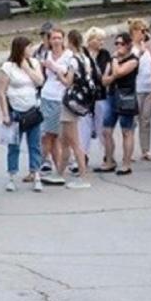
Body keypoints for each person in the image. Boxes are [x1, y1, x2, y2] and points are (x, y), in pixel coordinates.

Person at [0, 36, 44, 192]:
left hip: (32, 109)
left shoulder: (34, 63)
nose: (31, 50)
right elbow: (1, 92)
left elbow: (40, 81)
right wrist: (5, 113)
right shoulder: (8, 67)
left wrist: (27, 68)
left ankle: (36, 174)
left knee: (34, 144)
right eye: (28, 47)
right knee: (14, 146)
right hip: (15, 110)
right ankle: (11, 175)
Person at [98, 32, 139, 175]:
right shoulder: (112, 59)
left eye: (121, 43)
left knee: (126, 131)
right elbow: (105, 80)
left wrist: (114, 60)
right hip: (112, 95)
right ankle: (109, 160)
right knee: (106, 130)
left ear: (128, 45)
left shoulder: (133, 60)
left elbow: (118, 72)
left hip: (127, 96)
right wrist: (112, 73)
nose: (118, 46)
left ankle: (126, 164)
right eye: (116, 43)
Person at [59, 30, 92, 189]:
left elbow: (68, 82)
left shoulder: (73, 60)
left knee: (74, 141)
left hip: (70, 102)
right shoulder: (85, 58)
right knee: (65, 139)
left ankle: (83, 176)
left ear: (70, 41)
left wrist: (60, 75)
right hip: (80, 100)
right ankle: (59, 173)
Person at [39, 28, 72, 185]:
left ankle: (58, 168)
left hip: (61, 98)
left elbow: (65, 72)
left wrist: (52, 66)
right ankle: (45, 166)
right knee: (48, 134)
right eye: (53, 38)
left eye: (59, 38)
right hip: (47, 95)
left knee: (56, 135)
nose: (56, 41)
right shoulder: (46, 54)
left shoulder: (68, 55)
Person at [79, 27, 111, 164]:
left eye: (103, 39)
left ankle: (107, 154)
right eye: (99, 39)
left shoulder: (105, 54)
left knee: (102, 125)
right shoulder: (82, 53)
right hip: (85, 95)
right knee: (84, 127)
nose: (102, 42)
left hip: (100, 93)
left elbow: (106, 73)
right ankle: (83, 155)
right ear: (90, 40)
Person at [129, 18, 151, 162]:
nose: (144, 33)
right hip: (136, 87)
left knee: (146, 120)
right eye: (142, 30)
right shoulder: (130, 48)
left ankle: (146, 150)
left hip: (149, 86)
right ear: (134, 31)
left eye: (147, 31)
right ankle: (130, 151)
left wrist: (149, 46)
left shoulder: (148, 47)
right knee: (133, 120)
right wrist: (140, 51)